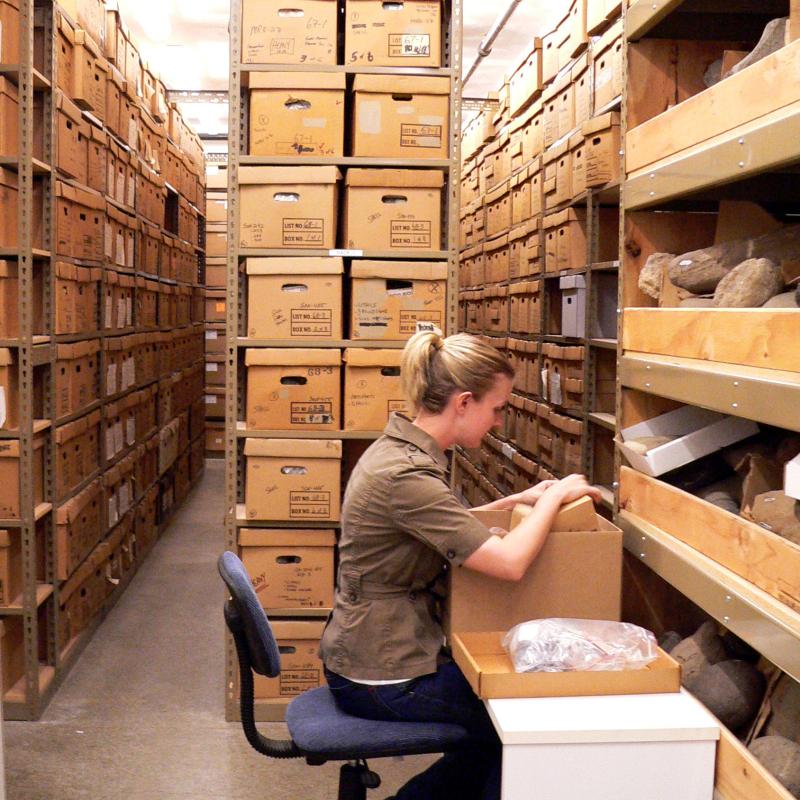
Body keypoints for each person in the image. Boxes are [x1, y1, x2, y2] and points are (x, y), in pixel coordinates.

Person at [319, 331, 601, 800]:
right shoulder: (407, 474)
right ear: (464, 403)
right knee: (514, 724)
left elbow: (442, 527)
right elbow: (509, 564)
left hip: (371, 652)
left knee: (500, 725)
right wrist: (552, 498)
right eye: (497, 409)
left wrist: (520, 499)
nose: (498, 422)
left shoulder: (402, 453)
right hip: (382, 674)